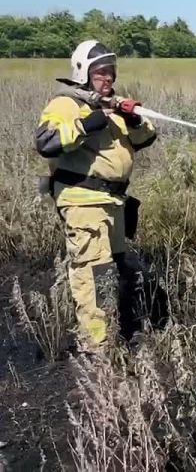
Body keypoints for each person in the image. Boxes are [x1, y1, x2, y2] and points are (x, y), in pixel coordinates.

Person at [35, 40, 158, 353]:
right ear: (83, 73)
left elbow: (146, 138)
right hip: (82, 200)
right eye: (101, 72)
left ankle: (121, 329)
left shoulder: (112, 106)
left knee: (117, 267)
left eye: (111, 73)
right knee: (93, 272)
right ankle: (97, 347)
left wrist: (134, 119)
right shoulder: (66, 104)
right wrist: (87, 123)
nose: (108, 79)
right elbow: (47, 142)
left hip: (113, 202)